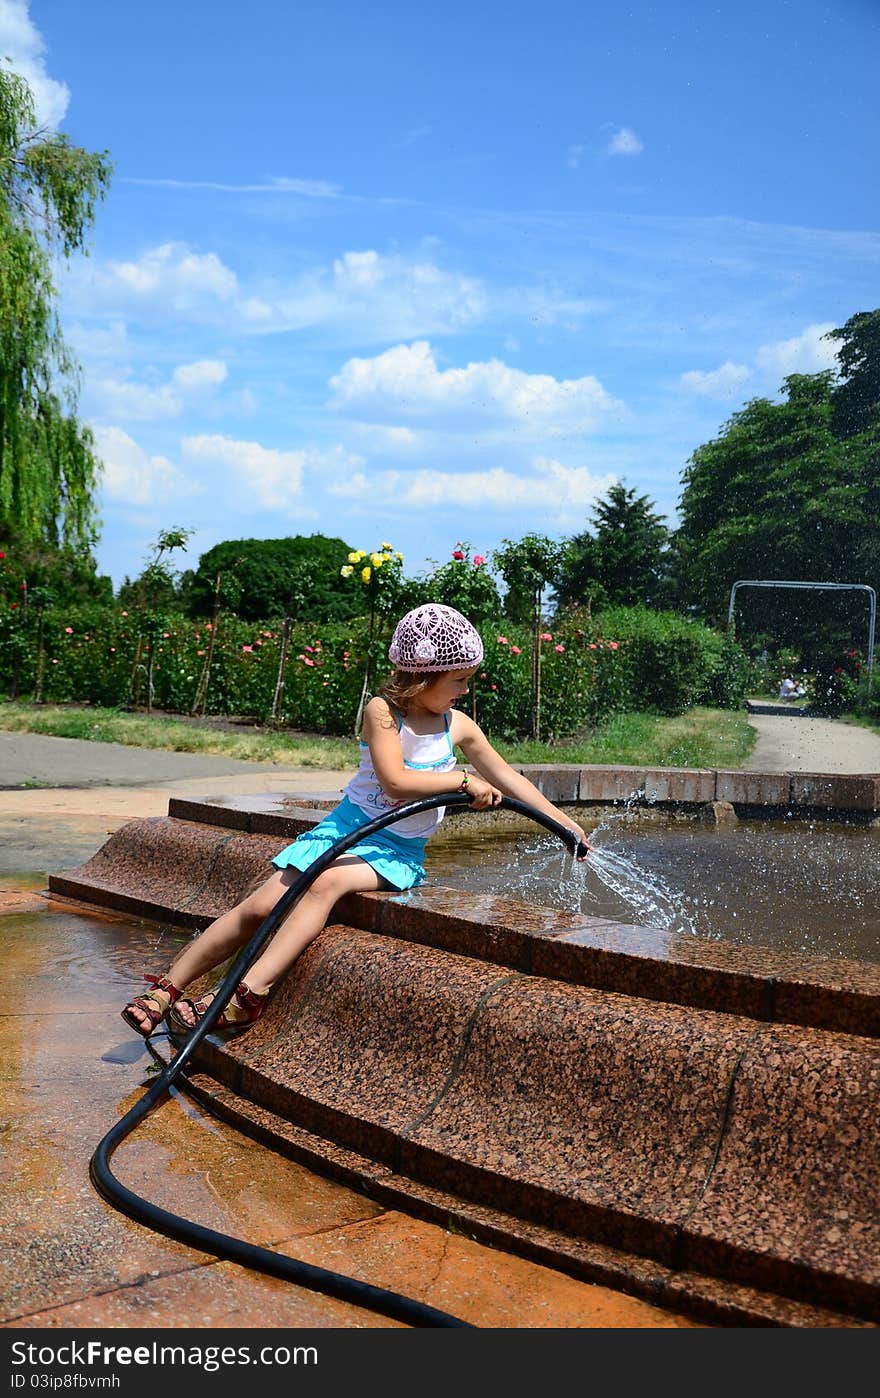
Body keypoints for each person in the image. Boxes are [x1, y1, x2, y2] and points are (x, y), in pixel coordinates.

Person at [120, 602, 593, 1040]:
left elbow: (507, 775)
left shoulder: (460, 726)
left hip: (394, 851)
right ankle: (170, 986)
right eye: (459, 681)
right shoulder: (382, 712)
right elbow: (394, 782)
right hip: (345, 829)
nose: (465, 690)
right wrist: (461, 782)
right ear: (423, 677)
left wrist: (560, 822)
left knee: (327, 885)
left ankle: (249, 993)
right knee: (261, 905)